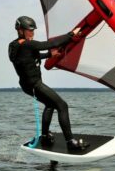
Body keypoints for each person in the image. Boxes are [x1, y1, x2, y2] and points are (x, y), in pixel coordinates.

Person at [8, 16, 86, 150]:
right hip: (35, 85)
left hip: (27, 86)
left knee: (50, 104)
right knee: (62, 105)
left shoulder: (15, 45)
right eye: (29, 31)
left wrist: (49, 55)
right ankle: (70, 142)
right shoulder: (27, 44)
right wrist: (71, 35)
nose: (32, 34)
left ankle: (45, 136)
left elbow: (30, 57)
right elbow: (51, 44)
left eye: (33, 31)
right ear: (20, 30)